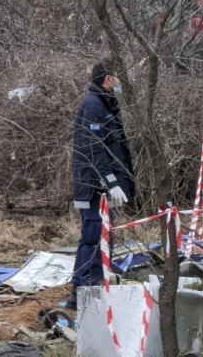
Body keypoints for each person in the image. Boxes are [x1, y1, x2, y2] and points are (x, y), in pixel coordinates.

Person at [66, 59, 135, 310]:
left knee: (95, 238)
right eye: (118, 77)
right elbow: (95, 149)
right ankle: (87, 292)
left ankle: (83, 289)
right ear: (108, 78)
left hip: (100, 186)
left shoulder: (106, 105)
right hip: (95, 187)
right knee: (95, 239)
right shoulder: (94, 107)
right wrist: (112, 182)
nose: (120, 82)